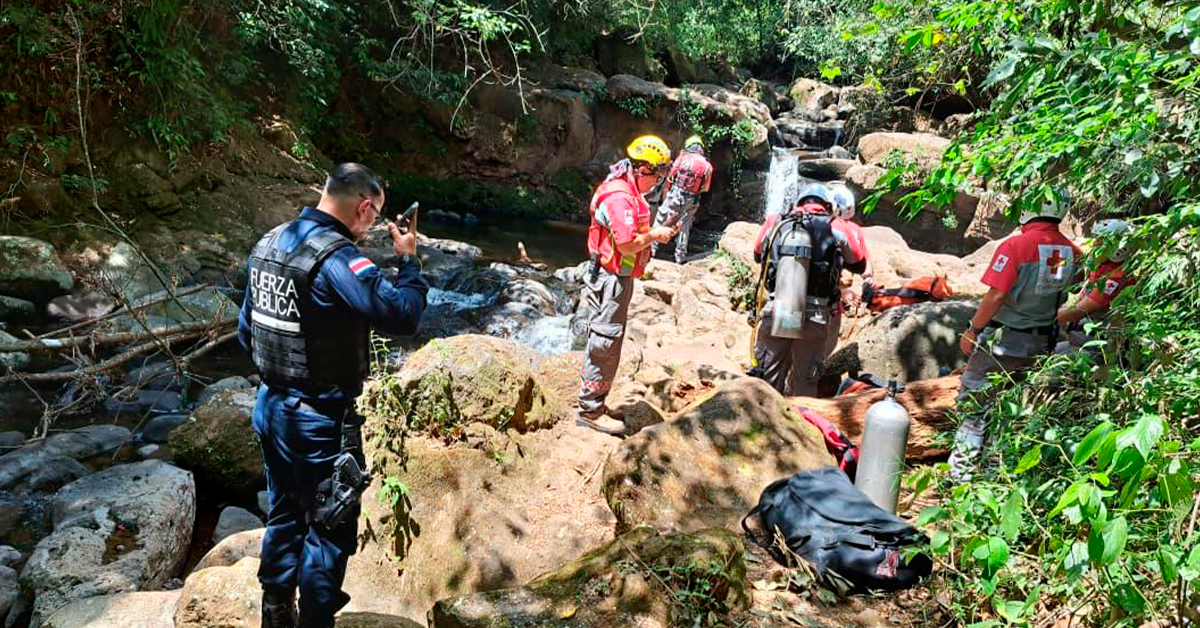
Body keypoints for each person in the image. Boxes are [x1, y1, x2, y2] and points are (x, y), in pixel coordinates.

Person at [238, 163, 429, 628]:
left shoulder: (271, 242)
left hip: (271, 406)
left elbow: (247, 332)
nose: (374, 224)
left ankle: (276, 613)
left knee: (284, 511)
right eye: (375, 214)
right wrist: (409, 262)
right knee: (330, 526)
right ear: (365, 208)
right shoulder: (338, 259)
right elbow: (401, 315)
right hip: (319, 416)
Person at [948, 189, 1079, 482]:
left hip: (1002, 342)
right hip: (1040, 344)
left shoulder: (1016, 247)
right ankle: (997, 477)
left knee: (975, 408)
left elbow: (996, 295)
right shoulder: (1071, 251)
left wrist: (972, 330)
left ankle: (961, 481)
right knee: (1012, 410)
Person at [578, 135, 677, 435]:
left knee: (610, 340)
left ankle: (596, 403)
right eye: (657, 176)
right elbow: (625, 245)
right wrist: (655, 236)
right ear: (643, 168)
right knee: (605, 341)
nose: (658, 183)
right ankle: (590, 411)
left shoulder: (627, 188)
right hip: (610, 280)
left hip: (615, 278)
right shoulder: (621, 197)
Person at [750, 183, 868, 396]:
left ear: (799, 202)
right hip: (815, 314)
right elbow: (859, 263)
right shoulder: (837, 226)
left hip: (778, 308)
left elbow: (758, 254)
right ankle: (800, 423)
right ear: (827, 205)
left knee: (766, 379)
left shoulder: (775, 221)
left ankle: (761, 420)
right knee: (806, 381)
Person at [1055, 219, 1135, 351]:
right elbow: (1077, 301)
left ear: (1118, 248)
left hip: (1099, 346)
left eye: (1101, 241)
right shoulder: (1103, 268)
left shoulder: (1117, 278)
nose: (1095, 244)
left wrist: (1041, 317)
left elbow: (1078, 311)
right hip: (1081, 337)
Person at [825, 183, 873, 359]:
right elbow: (863, 264)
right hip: (828, 296)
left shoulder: (809, 224)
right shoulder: (849, 230)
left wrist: (867, 281)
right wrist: (867, 281)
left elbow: (864, 262)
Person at [651, 134, 714, 264]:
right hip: (692, 199)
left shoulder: (682, 158)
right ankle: (680, 257)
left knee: (661, 217)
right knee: (684, 226)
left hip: (676, 193)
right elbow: (706, 188)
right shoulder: (707, 166)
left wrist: (667, 192)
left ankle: (651, 249)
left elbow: (670, 176)